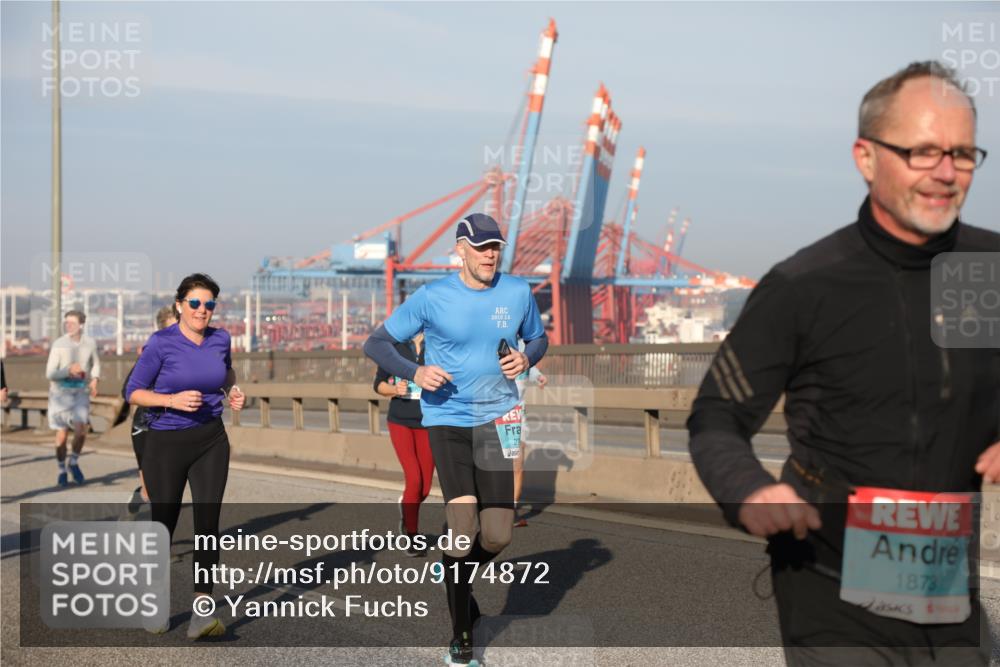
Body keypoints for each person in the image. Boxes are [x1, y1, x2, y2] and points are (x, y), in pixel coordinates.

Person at [687, 61, 999, 666]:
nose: (945, 173)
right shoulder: (806, 285)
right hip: (829, 582)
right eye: (923, 151)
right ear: (866, 157)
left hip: (947, 586)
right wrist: (747, 487)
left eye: (962, 154)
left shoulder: (983, 268)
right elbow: (716, 416)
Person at [364, 213, 548, 666]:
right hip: (447, 418)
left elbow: (539, 338)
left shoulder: (517, 292)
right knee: (463, 529)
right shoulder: (432, 297)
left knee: (499, 534)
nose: (490, 254)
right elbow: (376, 343)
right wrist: (416, 371)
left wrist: (526, 359)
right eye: (482, 247)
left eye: (496, 247)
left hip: (499, 417)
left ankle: (453, 574)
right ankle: (461, 642)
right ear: (460, 249)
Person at [126, 273, 245, 639]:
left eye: (209, 304)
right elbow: (132, 391)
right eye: (194, 303)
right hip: (166, 442)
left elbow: (224, 372)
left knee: (208, 529)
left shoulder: (220, 338)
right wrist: (171, 400)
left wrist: (234, 390)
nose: (202, 310)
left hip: (211, 439)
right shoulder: (161, 343)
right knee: (164, 524)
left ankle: (201, 615)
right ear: (180, 306)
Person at [372, 332, 434, 556]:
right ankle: (412, 537)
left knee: (425, 487)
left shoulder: (438, 344)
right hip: (400, 422)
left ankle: (406, 512)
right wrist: (394, 390)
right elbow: (378, 384)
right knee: (414, 479)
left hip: (429, 422)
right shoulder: (394, 347)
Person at [122, 305, 178, 518]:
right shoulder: (151, 355)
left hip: (175, 427)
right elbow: (127, 390)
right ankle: (137, 501)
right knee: (150, 491)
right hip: (145, 426)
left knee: (169, 489)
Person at [45, 310, 100, 487]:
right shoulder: (59, 344)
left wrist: (95, 380)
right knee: (61, 436)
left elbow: (96, 364)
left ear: (81, 325)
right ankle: (62, 469)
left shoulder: (90, 343)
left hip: (80, 394)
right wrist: (67, 371)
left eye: (72, 323)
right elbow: (50, 373)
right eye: (66, 322)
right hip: (60, 396)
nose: (68, 325)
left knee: (81, 430)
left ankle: (74, 462)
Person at [512, 343, 546, 527]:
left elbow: (528, 365)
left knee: (517, 466)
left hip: (519, 414)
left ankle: (511, 512)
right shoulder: (495, 339)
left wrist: (539, 376)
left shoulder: (522, 345)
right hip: (496, 413)